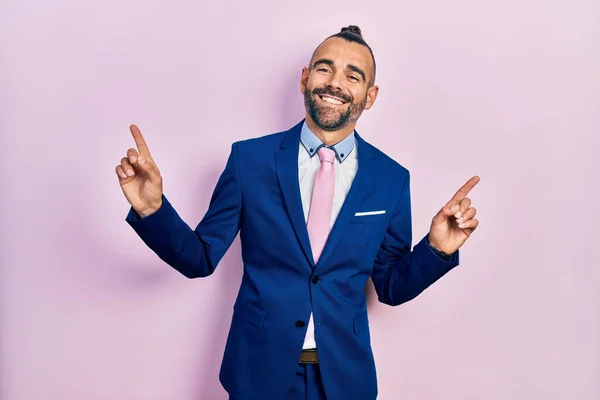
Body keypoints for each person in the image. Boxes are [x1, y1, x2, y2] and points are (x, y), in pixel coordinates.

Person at [115, 25, 480, 400]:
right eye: (325, 69)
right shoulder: (249, 161)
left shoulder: (391, 179)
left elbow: (389, 287)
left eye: (353, 76)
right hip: (258, 373)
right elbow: (200, 257)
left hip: (344, 380)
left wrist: (437, 251)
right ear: (305, 79)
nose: (335, 83)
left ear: (369, 96)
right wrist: (152, 209)